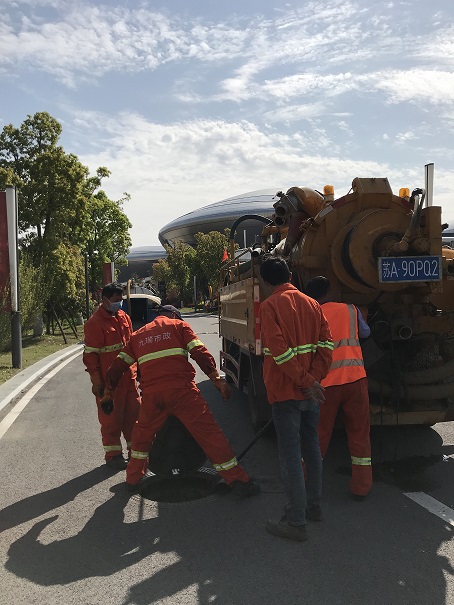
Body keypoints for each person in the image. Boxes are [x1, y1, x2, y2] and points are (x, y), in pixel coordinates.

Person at [102, 304, 260, 497]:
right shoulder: (179, 326)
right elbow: (200, 353)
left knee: (142, 437)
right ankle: (238, 480)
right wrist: (216, 380)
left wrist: (108, 391)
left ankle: (132, 480)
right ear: (174, 315)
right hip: (182, 393)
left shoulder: (138, 336)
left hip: (153, 396)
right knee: (210, 435)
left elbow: (118, 366)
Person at [259, 258, 333, 542]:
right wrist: (313, 380)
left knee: (291, 455)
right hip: (309, 393)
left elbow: (279, 354)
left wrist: (305, 381)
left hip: (286, 392)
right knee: (312, 448)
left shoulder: (269, 307)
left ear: (266, 282)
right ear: (290, 275)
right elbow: (327, 345)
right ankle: (314, 507)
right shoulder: (313, 304)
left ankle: (295, 521)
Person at [305, 276, 372, 500]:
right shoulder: (351, 310)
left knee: (318, 435)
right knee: (359, 434)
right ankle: (361, 487)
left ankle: (306, 482)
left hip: (326, 385)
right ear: (330, 290)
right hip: (356, 380)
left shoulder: (311, 314)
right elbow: (366, 334)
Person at [83, 282, 141, 470]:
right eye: (116, 301)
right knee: (111, 420)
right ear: (105, 300)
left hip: (128, 378)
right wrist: (98, 384)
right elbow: (91, 357)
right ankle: (114, 455)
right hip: (109, 384)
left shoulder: (123, 317)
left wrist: (139, 370)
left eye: (121, 300)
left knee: (134, 416)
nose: (119, 304)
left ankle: (137, 453)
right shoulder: (94, 324)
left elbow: (132, 346)